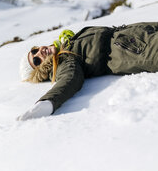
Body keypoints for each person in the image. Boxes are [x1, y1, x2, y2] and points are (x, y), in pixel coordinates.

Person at [17, 22, 158, 121]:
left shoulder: (65, 44)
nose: (39, 53)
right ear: (40, 72)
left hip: (137, 32)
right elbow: (70, 79)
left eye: (34, 51)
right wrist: (48, 103)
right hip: (133, 50)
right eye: (36, 61)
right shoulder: (64, 61)